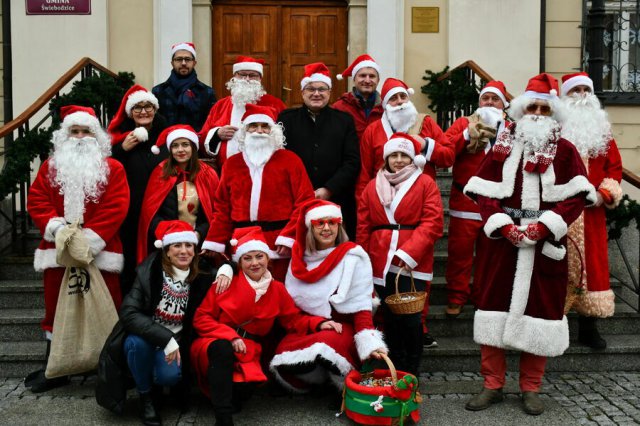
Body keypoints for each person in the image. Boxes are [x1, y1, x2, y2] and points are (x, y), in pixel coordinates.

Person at [463, 73, 596, 415]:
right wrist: (504, 226)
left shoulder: (565, 150)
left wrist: (545, 226)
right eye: (532, 107)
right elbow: (482, 192)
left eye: (544, 108)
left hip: (545, 245)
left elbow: (577, 197)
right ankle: (492, 385)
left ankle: (531, 388)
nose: (537, 113)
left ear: (554, 113)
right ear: (521, 110)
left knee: (540, 313)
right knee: (493, 308)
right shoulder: (502, 147)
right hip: (501, 244)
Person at [191, 226, 341, 426]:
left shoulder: (277, 289)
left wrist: (320, 323)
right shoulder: (225, 282)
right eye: (248, 258)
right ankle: (223, 418)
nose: (254, 263)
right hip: (214, 341)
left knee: (242, 394)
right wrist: (231, 336)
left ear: (267, 259)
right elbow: (201, 318)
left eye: (259, 256)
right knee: (222, 350)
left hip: (249, 350)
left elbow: (293, 320)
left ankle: (226, 396)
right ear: (240, 262)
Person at [26, 105, 129, 393]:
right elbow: (36, 200)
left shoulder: (114, 169)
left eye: (87, 132)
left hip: (101, 250)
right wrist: (57, 229)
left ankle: (109, 368)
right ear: (64, 135)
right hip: (57, 251)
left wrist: (90, 241)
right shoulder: (50, 167)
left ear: (97, 136)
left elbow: (117, 205)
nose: (81, 137)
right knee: (55, 308)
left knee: (106, 305)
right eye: (75, 131)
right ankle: (56, 368)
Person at [96, 220, 232, 425]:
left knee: (168, 377)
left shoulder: (202, 275)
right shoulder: (148, 273)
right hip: (147, 337)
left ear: (195, 251)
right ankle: (146, 397)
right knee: (135, 345)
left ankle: (155, 383)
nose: (184, 251)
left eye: (188, 246)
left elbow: (245, 264)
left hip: (176, 344)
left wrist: (227, 268)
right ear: (166, 251)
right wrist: (165, 338)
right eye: (177, 246)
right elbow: (129, 312)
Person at [270, 199, 387, 393]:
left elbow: (361, 307)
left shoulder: (353, 257)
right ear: (311, 228)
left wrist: (369, 343)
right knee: (285, 354)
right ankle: (320, 382)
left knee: (329, 343)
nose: (327, 228)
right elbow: (292, 312)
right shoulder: (299, 262)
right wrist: (317, 323)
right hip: (312, 327)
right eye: (320, 223)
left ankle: (343, 387)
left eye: (332, 222)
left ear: (339, 226)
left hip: (344, 329)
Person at [356, 133, 443, 375]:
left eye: (403, 155)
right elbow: (363, 225)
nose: (398, 160)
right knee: (388, 318)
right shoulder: (372, 186)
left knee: (411, 319)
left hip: (412, 263)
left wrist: (410, 253)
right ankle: (393, 368)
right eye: (393, 155)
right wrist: (362, 259)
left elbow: (433, 222)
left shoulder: (425, 183)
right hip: (379, 258)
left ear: (412, 158)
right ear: (386, 159)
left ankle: (411, 371)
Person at [201, 104, 314, 281]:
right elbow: (222, 208)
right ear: (244, 131)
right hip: (241, 241)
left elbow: (305, 202)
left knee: (278, 293)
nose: (259, 131)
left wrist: (288, 236)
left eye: (265, 126)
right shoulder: (232, 164)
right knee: (245, 294)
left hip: (278, 244)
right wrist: (214, 241)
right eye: (253, 126)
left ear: (273, 131)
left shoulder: (290, 161)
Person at [560, 72, 623, 349]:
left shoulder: (602, 131)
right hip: (561, 210)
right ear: (566, 96)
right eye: (576, 90)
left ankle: (589, 327)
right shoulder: (555, 127)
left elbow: (614, 168)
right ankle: (556, 327)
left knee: (593, 269)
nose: (583, 94)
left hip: (592, 213)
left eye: (587, 89)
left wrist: (603, 194)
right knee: (557, 267)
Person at [443, 81, 511, 318]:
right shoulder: (465, 123)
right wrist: (465, 135)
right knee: (459, 254)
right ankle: (456, 296)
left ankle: (483, 297)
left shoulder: (512, 128)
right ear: (479, 102)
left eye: (495, 99)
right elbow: (445, 151)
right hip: (465, 202)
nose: (489, 103)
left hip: (497, 204)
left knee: (490, 256)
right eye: (485, 98)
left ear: (504, 104)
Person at [278, 62, 360, 237]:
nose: (316, 93)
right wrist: (301, 192)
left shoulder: (344, 120)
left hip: (336, 198)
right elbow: (280, 160)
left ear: (329, 92)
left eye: (322, 89)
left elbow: (352, 162)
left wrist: (328, 189)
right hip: (295, 200)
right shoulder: (286, 119)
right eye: (311, 89)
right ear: (302, 93)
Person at [109, 85, 169, 295]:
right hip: (130, 211)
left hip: (159, 211)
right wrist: (121, 150)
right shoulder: (121, 141)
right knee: (131, 258)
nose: (143, 112)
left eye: (148, 107)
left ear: (155, 109)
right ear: (130, 113)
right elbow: (107, 171)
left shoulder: (165, 137)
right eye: (138, 108)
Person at [356, 77, 454, 198]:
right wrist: (363, 207)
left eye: (403, 96)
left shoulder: (426, 123)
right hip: (383, 200)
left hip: (421, 198)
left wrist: (426, 145)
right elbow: (364, 175)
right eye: (393, 98)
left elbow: (449, 157)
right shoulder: (372, 131)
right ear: (385, 105)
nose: (400, 101)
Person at [137, 124, 220, 263]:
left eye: (185, 145)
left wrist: (199, 234)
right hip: (167, 245)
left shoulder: (207, 174)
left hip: (200, 248)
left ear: (193, 147)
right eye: (175, 146)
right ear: (170, 149)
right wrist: (166, 232)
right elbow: (149, 214)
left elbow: (215, 212)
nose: (180, 150)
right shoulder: (160, 173)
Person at [198, 56, 287, 170]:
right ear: (234, 77)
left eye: (253, 75)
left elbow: (286, 138)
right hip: (228, 171)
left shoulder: (275, 104)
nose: (247, 79)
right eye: (242, 74)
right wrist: (217, 134)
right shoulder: (220, 106)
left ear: (260, 78)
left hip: (267, 170)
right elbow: (202, 137)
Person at [152, 42, 217, 131]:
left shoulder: (207, 92)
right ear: (172, 63)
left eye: (187, 59)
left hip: (196, 142)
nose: (183, 63)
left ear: (194, 63)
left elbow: (211, 123)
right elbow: (154, 123)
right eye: (179, 59)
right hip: (166, 142)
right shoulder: (158, 91)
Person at [332, 54, 384, 139]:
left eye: (372, 76)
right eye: (362, 76)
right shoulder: (339, 107)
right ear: (354, 79)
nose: (367, 80)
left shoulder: (386, 107)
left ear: (378, 80)